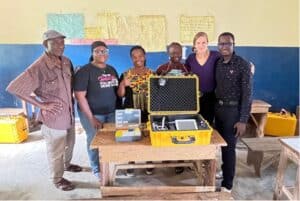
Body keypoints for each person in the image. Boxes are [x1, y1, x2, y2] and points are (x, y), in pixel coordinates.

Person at [6, 30, 82, 191]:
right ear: (45, 45)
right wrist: (42, 105)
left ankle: (67, 165)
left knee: (70, 143)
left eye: (62, 42)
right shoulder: (39, 66)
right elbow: (15, 88)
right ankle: (57, 179)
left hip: (68, 114)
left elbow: (70, 83)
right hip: (53, 118)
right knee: (56, 150)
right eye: (54, 43)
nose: (60, 46)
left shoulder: (66, 61)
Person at [74, 41, 120, 181]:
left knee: (112, 139)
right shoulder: (84, 71)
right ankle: (96, 167)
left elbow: (115, 92)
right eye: (98, 51)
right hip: (93, 113)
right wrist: (91, 118)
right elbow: (80, 97)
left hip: (111, 112)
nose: (102, 54)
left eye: (104, 51)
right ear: (92, 53)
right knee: (94, 140)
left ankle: (110, 163)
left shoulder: (111, 69)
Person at [215, 32, 253, 192]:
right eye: (222, 43)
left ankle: (227, 184)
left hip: (233, 112)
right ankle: (224, 171)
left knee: (230, 148)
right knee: (221, 145)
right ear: (218, 46)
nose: (224, 46)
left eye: (228, 43)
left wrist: (243, 120)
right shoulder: (218, 63)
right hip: (219, 110)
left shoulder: (242, 65)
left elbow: (248, 94)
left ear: (233, 45)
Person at [117, 45, 153, 176]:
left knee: (149, 137)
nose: (138, 59)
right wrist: (122, 84)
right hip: (130, 110)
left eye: (140, 56)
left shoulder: (152, 74)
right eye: (134, 56)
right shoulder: (126, 74)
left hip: (148, 110)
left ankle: (149, 162)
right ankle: (131, 162)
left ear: (145, 57)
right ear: (131, 58)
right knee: (130, 138)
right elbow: (120, 95)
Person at [156, 42, 187, 175]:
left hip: (181, 106)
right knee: (167, 131)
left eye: (179, 52)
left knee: (179, 133)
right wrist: (161, 77)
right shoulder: (161, 68)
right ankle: (167, 157)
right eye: (173, 52)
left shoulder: (185, 68)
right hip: (166, 105)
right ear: (168, 53)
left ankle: (179, 161)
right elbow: (156, 88)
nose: (177, 55)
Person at [185, 32, 220, 125]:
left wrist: (248, 66)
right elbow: (185, 73)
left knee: (207, 123)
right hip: (194, 97)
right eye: (198, 43)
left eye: (203, 42)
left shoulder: (216, 55)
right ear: (194, 45)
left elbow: (230, 61)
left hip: (211, 97)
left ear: (207, 43)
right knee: (194, 123)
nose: (201, 45)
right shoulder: (191, 58)